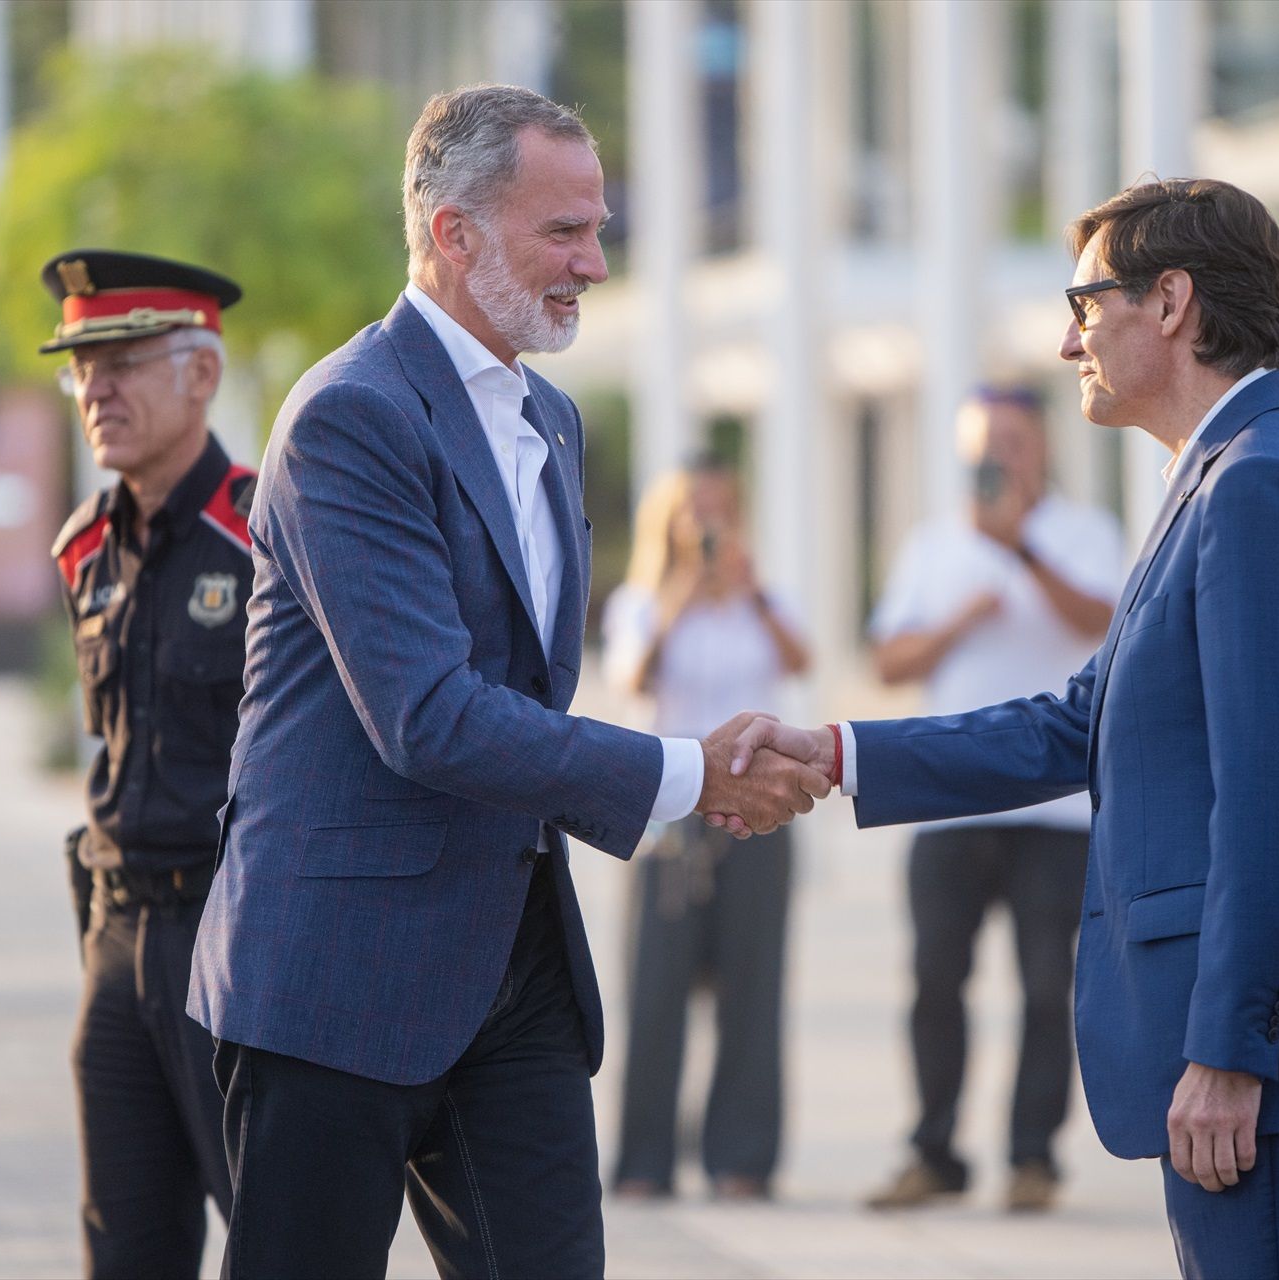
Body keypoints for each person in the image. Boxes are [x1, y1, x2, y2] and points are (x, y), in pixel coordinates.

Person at [724, 178, 1279, 1279]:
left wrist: (1232, 1049)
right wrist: (836, 752)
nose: (1069, 341)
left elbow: (1278, 798)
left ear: (1171, 302)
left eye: (1083, 302)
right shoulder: (1223, 472)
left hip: (1264, 1057)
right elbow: (1080, 721)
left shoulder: (1260, 485)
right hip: (1254, 1045)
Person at [184, 85, 827, 1279]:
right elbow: (428, 714)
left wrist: (692, 777)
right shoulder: (351, 414)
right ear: (454, 232)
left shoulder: (555, 419)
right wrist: (691, 774)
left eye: (599, 227)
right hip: (337, 972)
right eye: (563, 231)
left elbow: (522, 694)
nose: (592, 260)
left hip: (514, 966)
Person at [860, 386, 1123, 1214]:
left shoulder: (1088, 533)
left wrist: (1022, 554)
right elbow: (891, 661)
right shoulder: (934, 545)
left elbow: (1103, 623)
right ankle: (933, 1151)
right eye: (984, 445)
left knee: (1049, 988)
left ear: (1041, 448)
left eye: (1013, 442)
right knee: (935, 980)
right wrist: (963, 617)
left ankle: (1032, 1159)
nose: (997, 458)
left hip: (1056, 807)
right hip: (949, 804)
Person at [42, 249, 250, 1277]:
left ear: (201, 373)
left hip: (236, 935)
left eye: (121, 360)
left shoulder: (267, 533)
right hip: (117, 936)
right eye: (81, 366)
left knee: (279, 1237)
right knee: (123, 1245)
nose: (96, 389)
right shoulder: (84, 548)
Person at [601, 455, 810, 1201]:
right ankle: (644, 1162)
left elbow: (800, 660)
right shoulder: (642, 601)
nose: (712, 527)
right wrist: (682, 591)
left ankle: (743, 1159)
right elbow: (631, 678)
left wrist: (748, 594)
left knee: (754, 992)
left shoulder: (762, 598)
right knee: (656, 993)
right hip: (671, 820)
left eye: (722, 510)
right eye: (698, 511)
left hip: (757, 818)